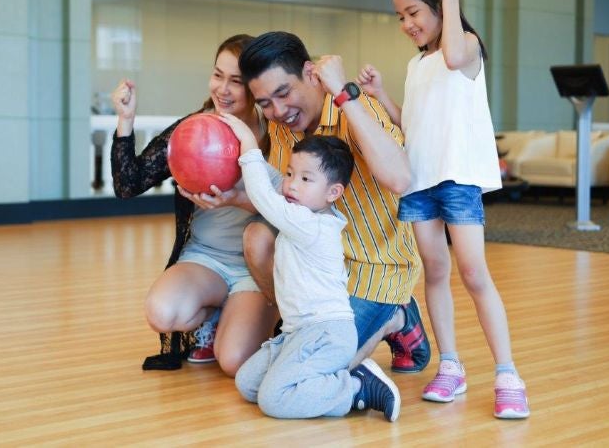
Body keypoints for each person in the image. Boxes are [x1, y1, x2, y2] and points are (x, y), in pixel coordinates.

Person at [356, 0, 529, 419]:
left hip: (456, 179)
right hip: (419, 181)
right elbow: (409, 125)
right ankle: (450, 364)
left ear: (437, 5)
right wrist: (381, 95)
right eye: (400, 17)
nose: (407, 24)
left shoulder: (466, 46)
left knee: (474, 275)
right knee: (434, 272)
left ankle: (508, 374)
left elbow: (454, 56)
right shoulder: (417, 64)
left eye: (414, 12)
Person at [237, 31, 430, 376]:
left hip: (376, 267)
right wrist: (230, 197)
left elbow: (400, 179)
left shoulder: (357, 109)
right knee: (257, 237)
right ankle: (298, 327)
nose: (278, 110)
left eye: (284, 92)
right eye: (265, 103)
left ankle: (397, 315)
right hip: (321, 270)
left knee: (317, 372)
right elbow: (289, 196)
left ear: (311, 74)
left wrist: (344, 93)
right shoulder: (284, 125)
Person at [111, 34, 278, 376]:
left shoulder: (277, 134)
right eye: (218, 75)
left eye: (237, 81)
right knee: (162, 313)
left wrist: (238, 200)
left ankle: (260, 315)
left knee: (232, 362)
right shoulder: (194, 128)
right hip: (206, 259)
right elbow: (129, 184)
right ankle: (216, 317)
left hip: (256, 267)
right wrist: (126, 119)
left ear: (255, 86)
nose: (223, 89)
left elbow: (294, 207)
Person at [218, 113, 400, 421]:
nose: (290, 185)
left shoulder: (310, 224)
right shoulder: (303, 216)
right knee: (248, 384)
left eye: (305, 179)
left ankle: (357, 387)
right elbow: (269, 192)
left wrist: (248, 145)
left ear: (333, 193)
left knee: (273, 400)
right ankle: (325, 382)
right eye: (289, 174)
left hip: (325, 334)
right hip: (297, 333)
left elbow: (263, 196)